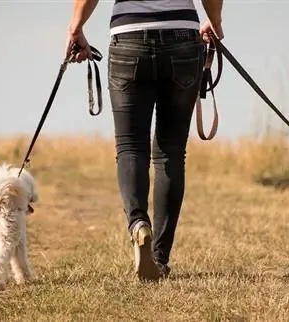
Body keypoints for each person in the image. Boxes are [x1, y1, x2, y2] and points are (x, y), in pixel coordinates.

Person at [65, 0, 224, 281]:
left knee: (130, 147)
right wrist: (216, 20)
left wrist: (76, 26)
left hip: (129, 37)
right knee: (171, 153)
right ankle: (160, 259)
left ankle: (139, 223)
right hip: (183, 38)